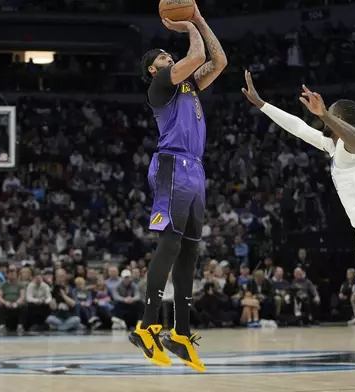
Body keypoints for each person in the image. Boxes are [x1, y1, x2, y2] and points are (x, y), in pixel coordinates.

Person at [242, 71, 355, 392]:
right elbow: (299, 129)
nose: (324, 121)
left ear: (341, 119)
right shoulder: (334, 147)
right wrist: (262, 104)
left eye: (330, 116)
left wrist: (324, 112)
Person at [130, 2, 227, 373]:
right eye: (165, 57)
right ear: (154, 69)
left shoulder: (188, 83)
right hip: (172, 164)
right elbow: (198, 53)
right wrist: (186, 27)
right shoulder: (160, 85)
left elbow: (218, 62)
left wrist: (199, 18)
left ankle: (180, 332)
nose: (171, 58)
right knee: (169, 243)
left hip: (195, 169)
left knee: (189, 252)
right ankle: (146, 325)